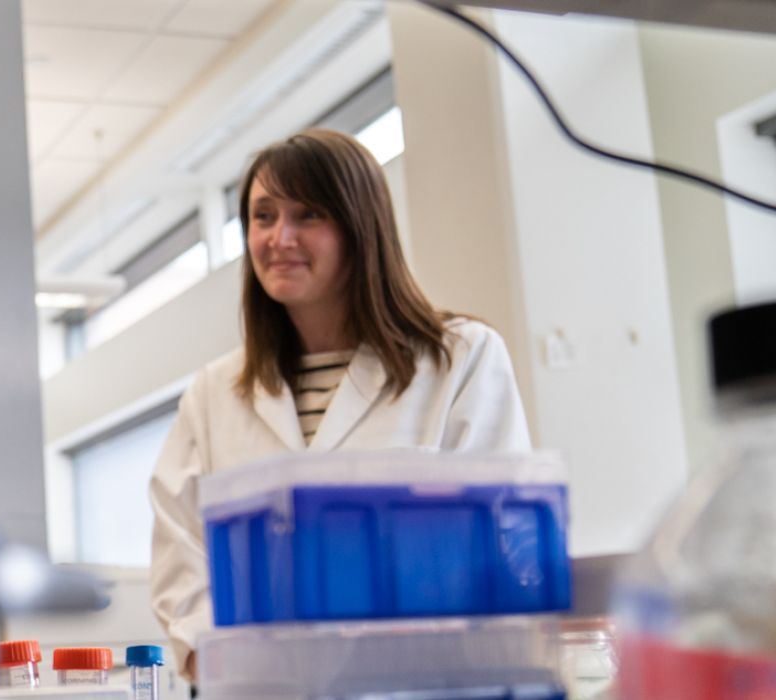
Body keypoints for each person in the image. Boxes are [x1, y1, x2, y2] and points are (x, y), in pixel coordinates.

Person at [147, 129, 531, 678]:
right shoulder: (215, 390)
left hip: (419, 681)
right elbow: (179, 549)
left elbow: (501, 535)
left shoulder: (460, 357)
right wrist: (221, 657)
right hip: (264, 687)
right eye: (263, 216)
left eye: (308, 214)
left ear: (361, 226)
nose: (280, 237)